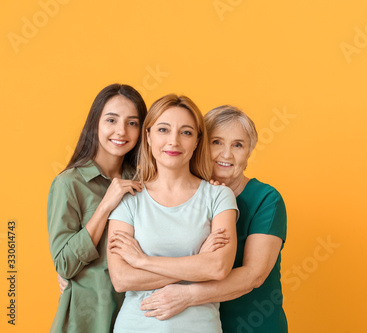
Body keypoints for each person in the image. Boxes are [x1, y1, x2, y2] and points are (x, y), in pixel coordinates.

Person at [139, 105, 288, 332]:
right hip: (198, 325)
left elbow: (254, 275)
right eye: (216, 142)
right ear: (199, 144)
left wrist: (187, 294)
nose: (226, 154)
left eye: (238, 145)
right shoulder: (182, 196)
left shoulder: (266, 199)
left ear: (249, 152)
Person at [106, 94, 239, 332]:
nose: (174, 141)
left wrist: (142, 261)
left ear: (198, 140)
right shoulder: (128, 199)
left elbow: (218, 268)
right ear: (147, 136)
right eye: (163, 130)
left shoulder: (219, 196)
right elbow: (122, 279)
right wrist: (197, 264)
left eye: (186, 132)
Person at [47, 83, 147, 332]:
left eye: (132, 123)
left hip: (137, 314)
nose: (121, 131)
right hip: (87, 319)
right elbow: (65, 265)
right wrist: (105, 206)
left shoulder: (145, 182)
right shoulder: (69, 183)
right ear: (95, 124)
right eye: (111, 120)